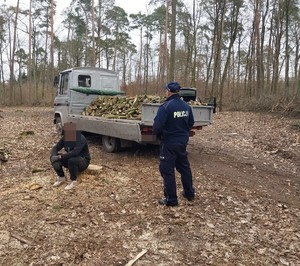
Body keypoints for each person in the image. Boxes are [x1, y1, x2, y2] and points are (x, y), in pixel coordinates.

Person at [153, 81, 195, 206]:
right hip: (182, 142)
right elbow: (191, 122)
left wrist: (160, 135)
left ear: (169, 91)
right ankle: (189, 193)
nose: (165, 92)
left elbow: (157, 127)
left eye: (166, 90)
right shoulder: (186, 106)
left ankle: (171, 199)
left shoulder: (165, 107)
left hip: (169, 143)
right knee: (184, 168)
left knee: (167, 170)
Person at [50, 122, 91, 190]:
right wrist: (53, 156)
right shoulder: (65, 137)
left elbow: (75, 152)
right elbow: (55, 148)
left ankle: (73, 181)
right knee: (54, 158)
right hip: (71, 159)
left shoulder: (81, 138)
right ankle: (61, 177)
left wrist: (61, 157)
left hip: (83, 161)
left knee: (72, 160)